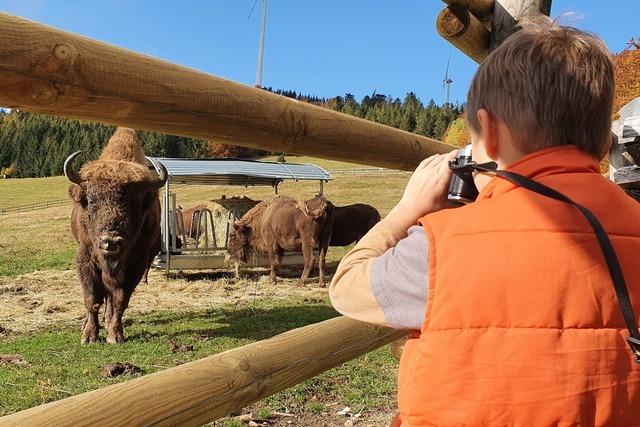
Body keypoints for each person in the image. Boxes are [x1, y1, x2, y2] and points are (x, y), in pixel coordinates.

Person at [329, 21, 640, 426]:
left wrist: (407, 209)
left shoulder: (440, 247)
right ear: (603, 144)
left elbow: (347, 288)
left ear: (489, 134)